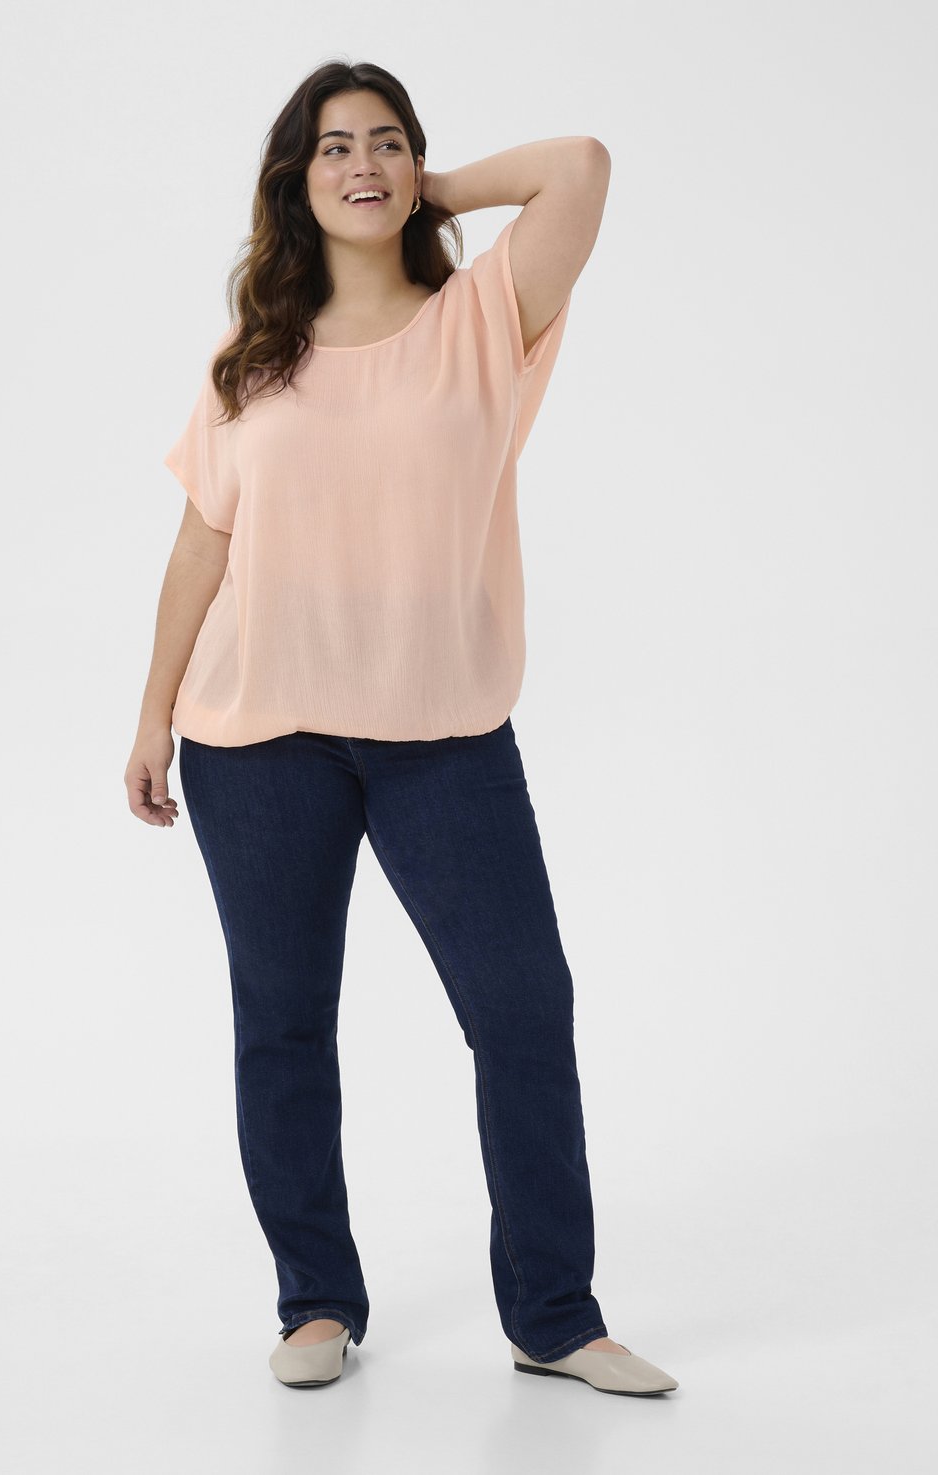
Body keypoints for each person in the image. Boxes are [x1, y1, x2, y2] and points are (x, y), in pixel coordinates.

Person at [125, 59, 678, 1398]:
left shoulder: (486, 317)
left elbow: (579, 165)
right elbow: (203, 542)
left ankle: (554, 1317)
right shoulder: (253, 360)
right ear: (295, 180)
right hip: (258, 736)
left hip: (445, 734)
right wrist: (150, 714)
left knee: (523, 1014)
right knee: (284, 1025)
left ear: (416, 165)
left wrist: (438, 190)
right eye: (333, 148)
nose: (361, 164)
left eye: (385, 143)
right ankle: (315, 1302)